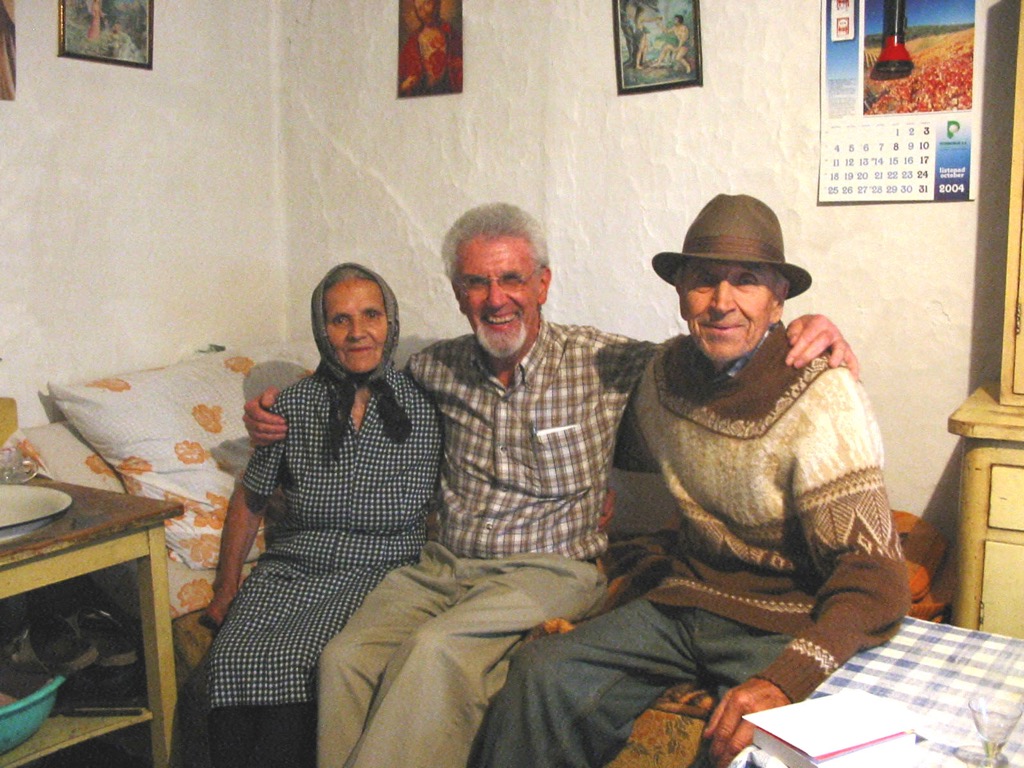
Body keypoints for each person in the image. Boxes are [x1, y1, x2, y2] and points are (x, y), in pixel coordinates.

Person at [243, 203, 857, 768]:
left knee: (434, 652)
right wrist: (280, 407)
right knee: (344, 658)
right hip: (442, 563)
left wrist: (810, 329)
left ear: (542, 284)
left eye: (512, 279)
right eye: (476, 283)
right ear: (458, 295)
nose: (496, 298)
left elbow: (719, 346)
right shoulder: (434, 370)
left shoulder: (605, 362)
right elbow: (356, 377)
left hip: (550, 568)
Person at [473, 194, 910, 768]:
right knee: (541, 672)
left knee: (749, 748)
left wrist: (787, 679)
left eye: (747, 281)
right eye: (704, 281)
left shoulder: (825, 393)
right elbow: (585, 415)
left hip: (784, 618)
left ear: (778, 300)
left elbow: (878, 578)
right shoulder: (665, 374)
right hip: (683, 604)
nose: (722, 303)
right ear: (680, 294)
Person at [203, 263, 442, 768]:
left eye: (371, 315)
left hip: (381, 569)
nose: (358, 332)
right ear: (321, 330)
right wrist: (225, 589)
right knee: (228, 658)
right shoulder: (289, 405)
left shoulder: (428, 403)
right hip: (290, 566)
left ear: (391, 321)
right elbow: (251, 497)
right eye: (340, 320)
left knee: (301, 659)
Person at [398, 0, 463, 97]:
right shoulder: (413, 41)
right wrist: (404, 86)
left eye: (427, 3)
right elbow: (400, 79)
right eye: (419, 8)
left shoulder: (451, 34)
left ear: (437, 3)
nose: (423, 11)